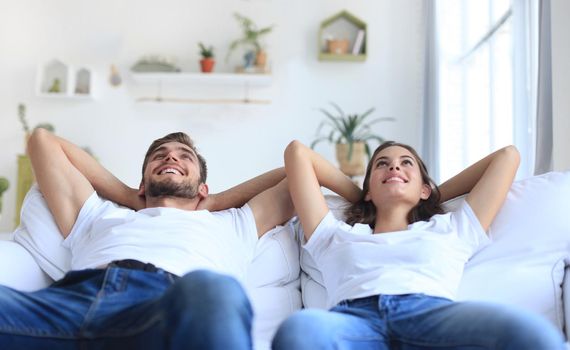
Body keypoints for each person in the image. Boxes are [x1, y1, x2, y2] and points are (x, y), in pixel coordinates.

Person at [0, 129, 293, 350]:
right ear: (142, 182)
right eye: (160, 155)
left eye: (184, 157)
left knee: (215, 290)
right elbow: (42, 141)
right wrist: (129, 196)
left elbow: (296, 175)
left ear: (202, 187)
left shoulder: (231, 223)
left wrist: (217, 200)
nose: (170, 157)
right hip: (71, 302)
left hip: (166, 309)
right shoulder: (101, 214)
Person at [272, 140, 564, 350]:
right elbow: (297, 153)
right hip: (352, 321)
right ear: (369, 190)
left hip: (432, 317)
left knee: (535, 335)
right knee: (299, 331)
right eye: (382, 165)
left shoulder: (451, 228)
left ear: (425, 188)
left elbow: (508, 156)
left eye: (405, 163)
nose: (394, 166)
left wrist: (429, 194)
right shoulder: (334, 235)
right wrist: (365, 193)